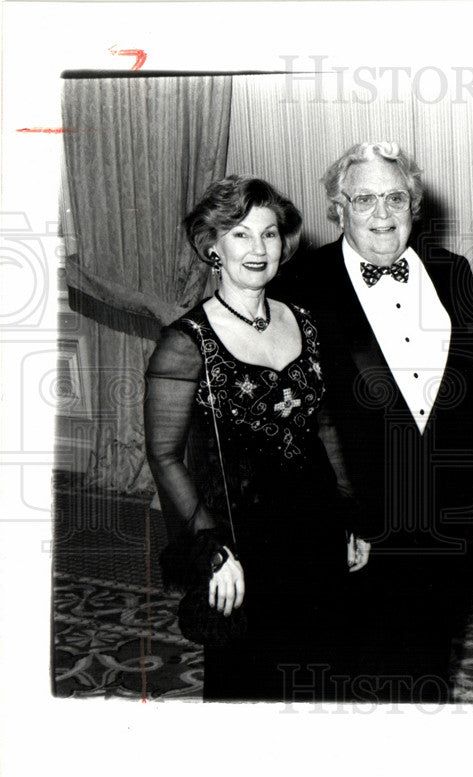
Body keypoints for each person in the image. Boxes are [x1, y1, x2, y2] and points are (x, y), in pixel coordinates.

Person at [271, 142, 473, 704]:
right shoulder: (298, 289)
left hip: (444, 513)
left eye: (396, 198)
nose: (383, 214)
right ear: (337, 209)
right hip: (357, 517)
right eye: (364, 199)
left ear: (415, 205)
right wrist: (336, 515)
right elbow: (293, 422)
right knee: (355, 667)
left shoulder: (452, 272)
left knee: (430, 655)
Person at [144, 175, 365, 702]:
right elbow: (164, 454)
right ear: (212, 246)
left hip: (315, 525)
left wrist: (354, 516)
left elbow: (326, 426)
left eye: (269, 234)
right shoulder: (186, 342)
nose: (258, 249)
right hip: (241, 535)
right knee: (251, 682)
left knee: (323, 671)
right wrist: (212, 549)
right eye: (240, 235)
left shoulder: (306, 323)